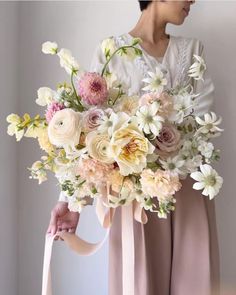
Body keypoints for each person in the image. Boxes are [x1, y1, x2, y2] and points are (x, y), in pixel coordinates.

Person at [47, 1, 220, 294]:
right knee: (138, 283)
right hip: (132, 196)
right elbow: (87, 129)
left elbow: (202, 123)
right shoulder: (111, 51)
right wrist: (71, 201)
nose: (193, 1)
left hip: (188, 186)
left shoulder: (193, 50)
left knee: (196, 282)